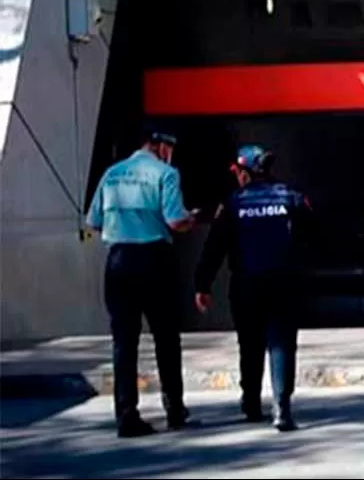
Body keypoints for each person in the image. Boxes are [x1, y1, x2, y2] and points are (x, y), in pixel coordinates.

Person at [84, 124, 197, 438]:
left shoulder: (112, 174)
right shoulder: (166, 174)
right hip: (154, 260)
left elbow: (92, 221)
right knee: (165, 337)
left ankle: (126, 415)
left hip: (118, 262)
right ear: (160, 146)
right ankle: (174, 408)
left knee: (124, 342)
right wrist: (190, 218)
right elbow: (175, 220)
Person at [193, 145, 313, 432]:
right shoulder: (291, 198)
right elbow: (314, 235)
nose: (236, 177)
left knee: (250, 344)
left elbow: (214, 248)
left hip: (247, 284)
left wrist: (202, 284)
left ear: (245, 172)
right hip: (284, 282)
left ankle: (251, 402)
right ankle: (282, 409)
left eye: (237, 172)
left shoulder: (233, 203)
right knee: (282, 343)